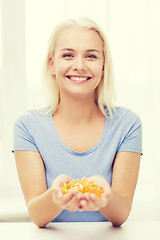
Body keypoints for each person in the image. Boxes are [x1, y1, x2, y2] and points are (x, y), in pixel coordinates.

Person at [13, 18, 143, 228]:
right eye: (68, 55)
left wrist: (105, 197)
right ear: (52, 64)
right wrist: (56, 197)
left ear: (103, 67)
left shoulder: (127, 124)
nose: (79, 65)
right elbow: (37, 215)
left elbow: (121, 214)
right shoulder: (27, 126)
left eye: (91, 56)